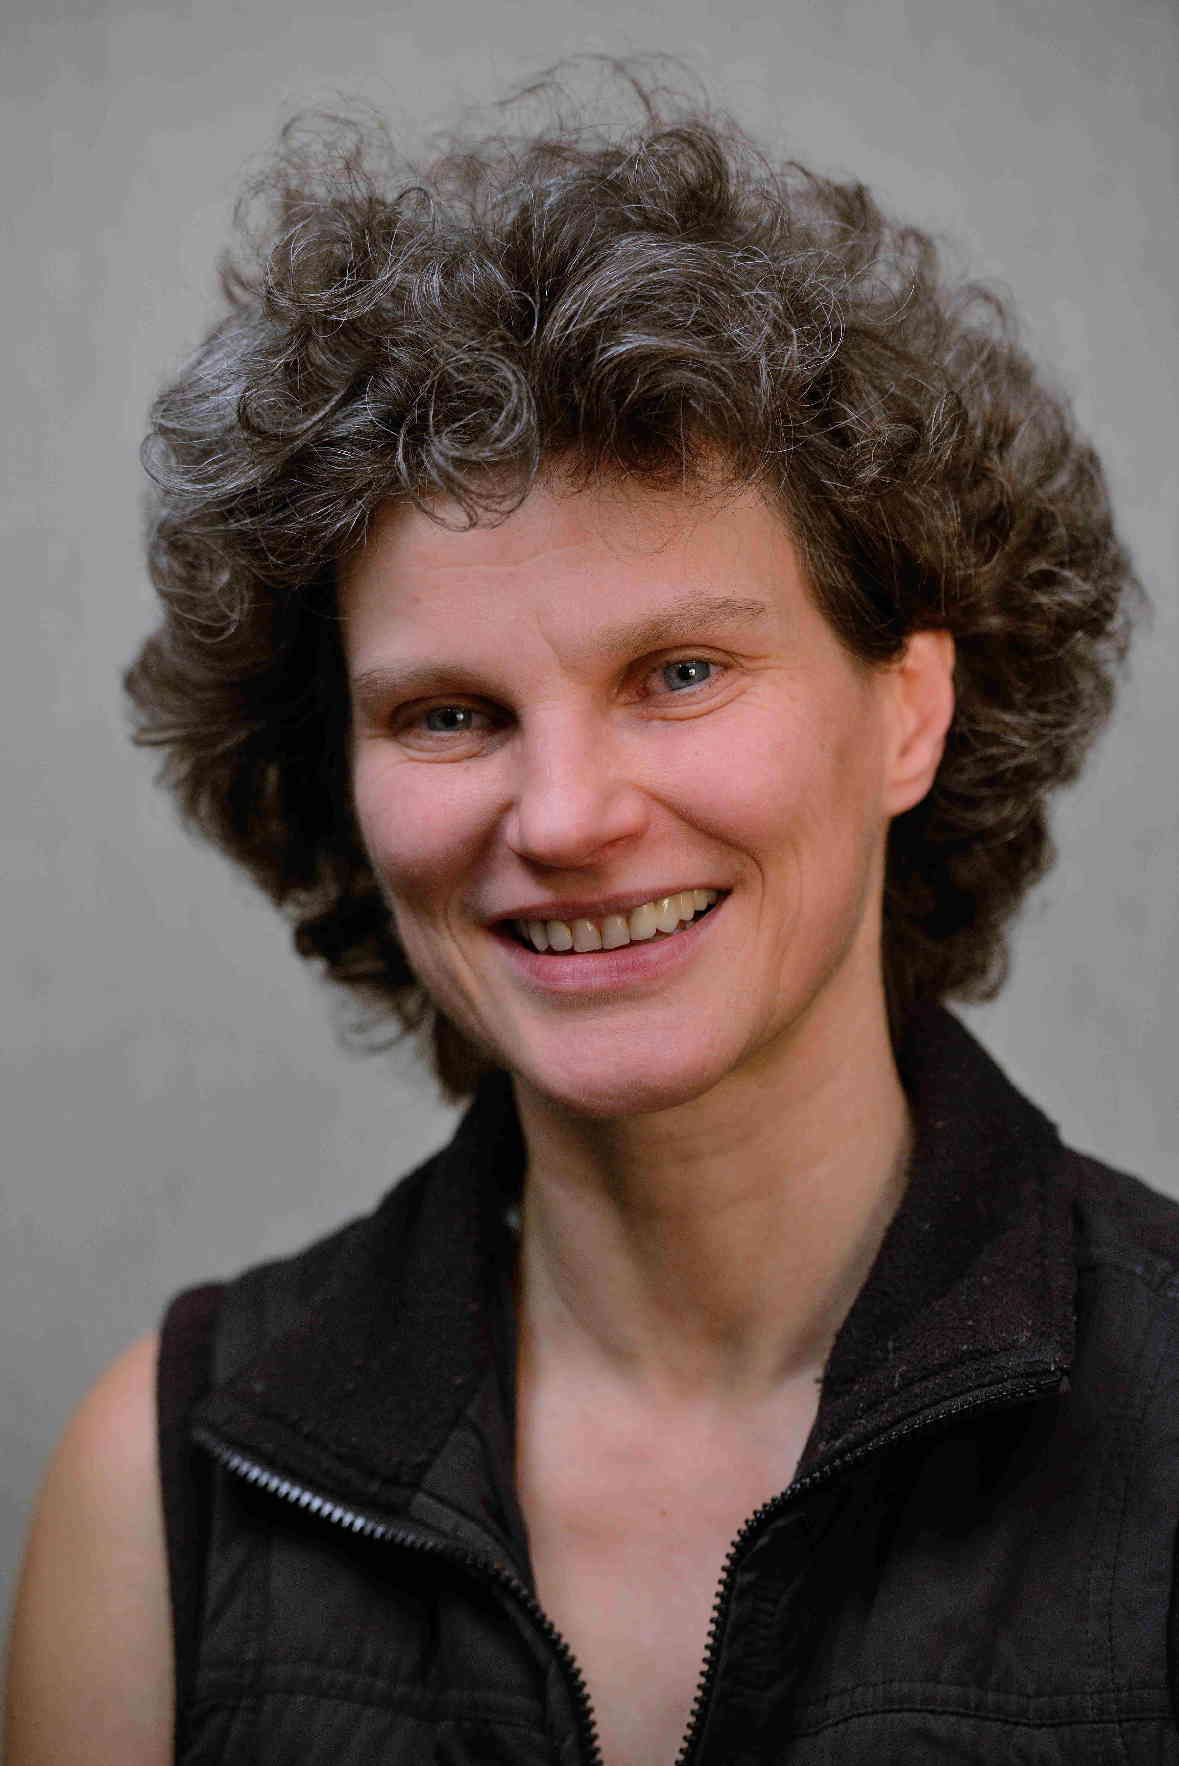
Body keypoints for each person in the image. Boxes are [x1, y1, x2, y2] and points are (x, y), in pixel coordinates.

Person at [7, 70, 1176, 1766]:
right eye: (449, 713)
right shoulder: (166, 1485)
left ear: (911, 711)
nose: (562, 818)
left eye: (680, 672)